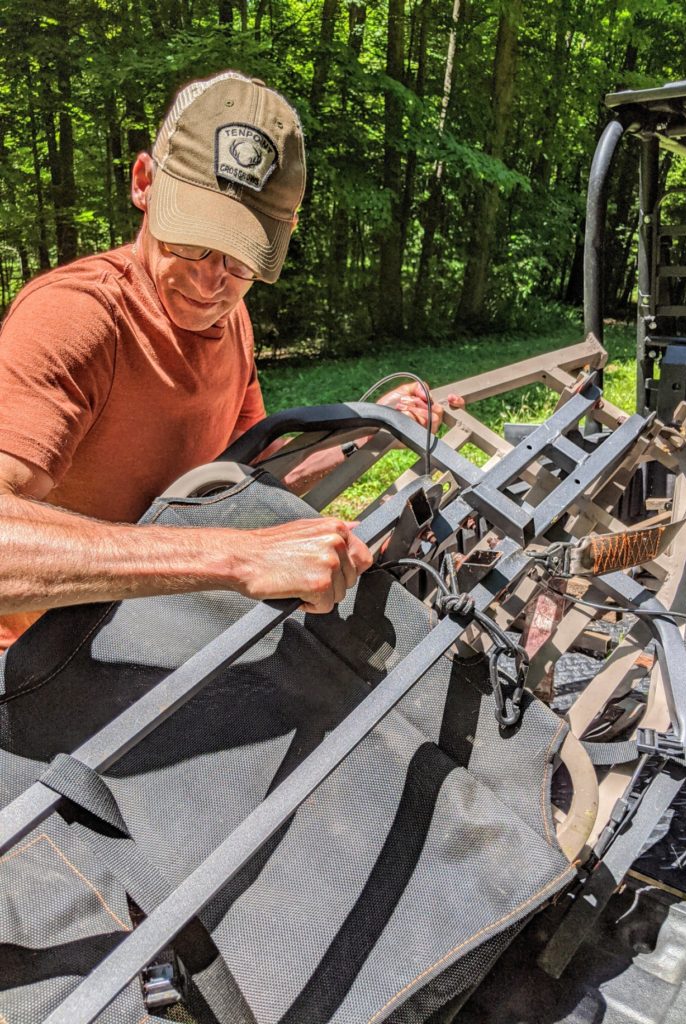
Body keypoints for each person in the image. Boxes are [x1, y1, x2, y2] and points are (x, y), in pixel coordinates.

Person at [0, 70, 451, 650]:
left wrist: (364, 436)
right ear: (144, 183)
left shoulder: (227, 319)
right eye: (190, 240)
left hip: (166, 626)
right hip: (41, 670)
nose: (210, 280)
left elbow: (241, 478)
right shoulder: (76, 318)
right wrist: (238, 555)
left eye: (242, 258)